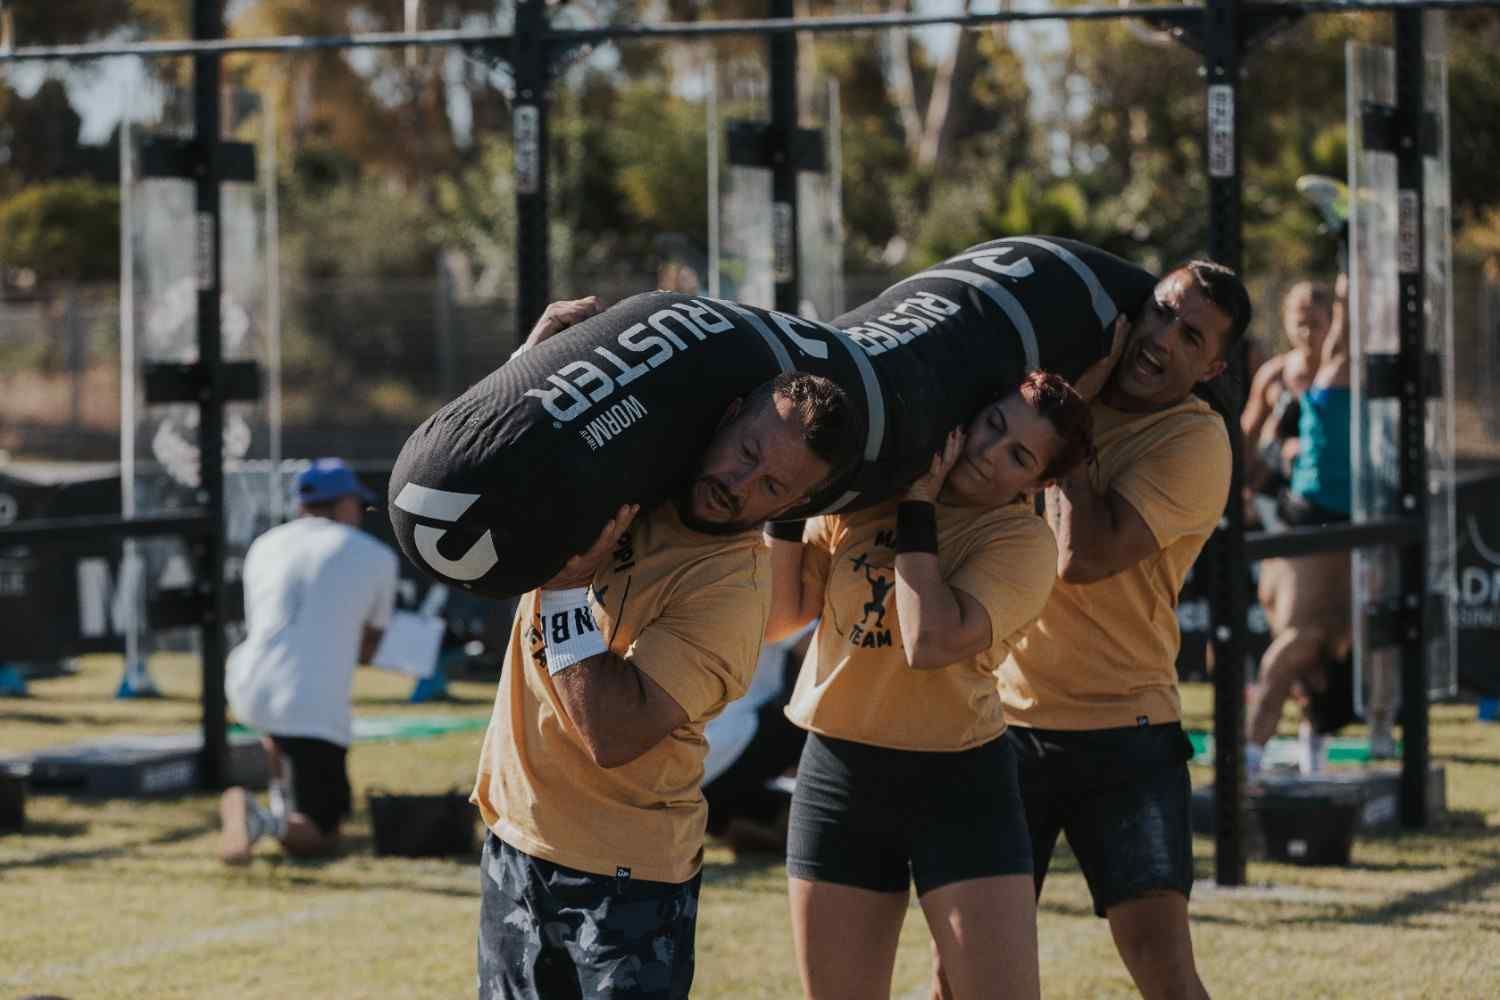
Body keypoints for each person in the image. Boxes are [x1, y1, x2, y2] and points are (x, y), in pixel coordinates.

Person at [471, 299, 863, 999]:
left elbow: (613, 731)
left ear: (789, 509)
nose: (738, 485)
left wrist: (566, 592)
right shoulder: (634, 466)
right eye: (747, 453)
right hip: (516, 835)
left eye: (771, 486)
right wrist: (529, 370)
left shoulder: (731, 591)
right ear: (728, 415)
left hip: (623, 880)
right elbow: (491, 480)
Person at [959, 261, 1251, 1000]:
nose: (1163, 340)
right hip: (1004, 724)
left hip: (1126, 732)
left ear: (1211, 368)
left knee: (1162, 968)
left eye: (1192, 338)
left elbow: (1082, 557)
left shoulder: (1196, 441)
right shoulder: (1049, 389)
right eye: (1161, 313)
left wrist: (1075, 423)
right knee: (961, 973)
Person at [768, 370, 1097, 1000]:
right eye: (993, 425)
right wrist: (787, 501)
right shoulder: (868, 497)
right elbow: (781, 618)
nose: (989, 452)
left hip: (960, 783)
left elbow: (930, 641)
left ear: (1037, 484)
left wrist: (918, 506)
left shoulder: (1021, 542)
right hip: (840, 775)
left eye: (1019, 456)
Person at [219, 458, 398, 864]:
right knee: (323, 834)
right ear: (344, 504)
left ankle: (279, 805)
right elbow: (367, 649)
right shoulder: (375, 556)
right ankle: (264, 822)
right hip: (309, 702)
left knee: (284, 736)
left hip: (248, 684)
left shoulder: (265, 544)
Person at [1244, 276, 1360, 772]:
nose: (1308, 332)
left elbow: (1344, 343)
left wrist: (1348, 288)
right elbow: (1248, 438)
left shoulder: (1340, 375)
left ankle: (1305, 746)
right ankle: (1257, 754)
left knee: (1315, 639)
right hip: (1287, 507)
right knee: (1291, 629)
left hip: (1328, 509)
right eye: (1300, 322)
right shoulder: (1277, 376)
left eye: (1318, 322)